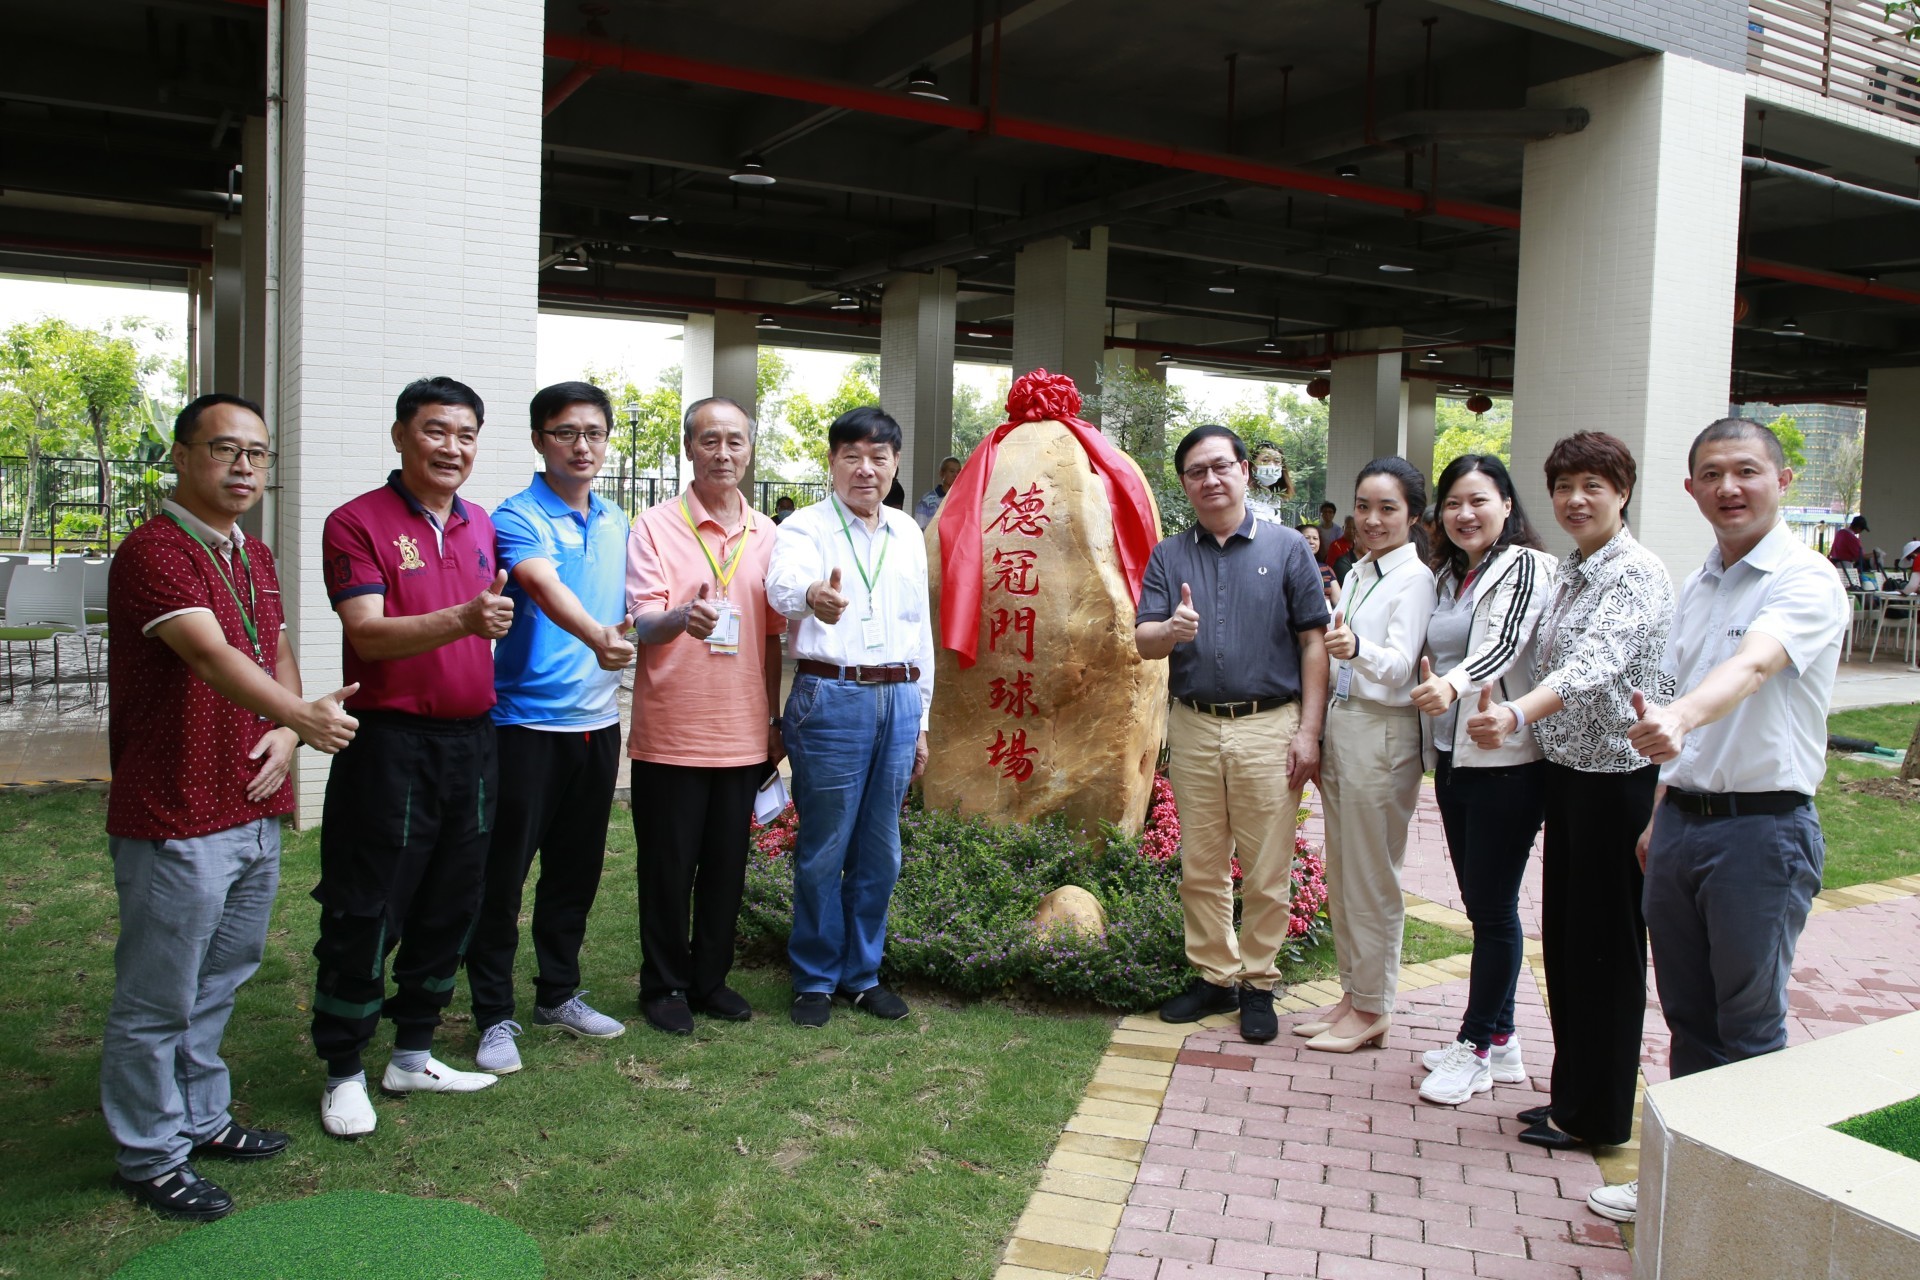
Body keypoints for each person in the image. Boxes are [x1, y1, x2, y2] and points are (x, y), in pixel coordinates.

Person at [102, 394, 359, 1220]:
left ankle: (203, 1117)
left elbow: (274, 645)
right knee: (158, 995)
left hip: (249, 797)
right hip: (177, 806)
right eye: (225, 450)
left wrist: (286, 738)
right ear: (182, 457)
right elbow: (210, 654)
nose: (244, 467)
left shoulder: (250, 551)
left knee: (222, 975)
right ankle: (149, 1154)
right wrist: (301, 717)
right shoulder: (156, 551)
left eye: (258, 454)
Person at [1600, 419, 1848, 1224]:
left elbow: (1749, 670)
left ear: (1781, 482)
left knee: (1750, 1025)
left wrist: (1679, 722)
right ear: (1691, 488)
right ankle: (1683, 1184)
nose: (1730, 487)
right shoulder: (1701, 583)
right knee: (1688, 1018)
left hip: (1762, 830)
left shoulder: (1805, 581)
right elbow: (1687, 694)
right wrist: (1664, 804)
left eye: (1747, 471)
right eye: (1712, 473)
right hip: (1681, 827)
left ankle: (1746, 1211)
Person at [312, 377, 515, 1138]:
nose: (452, 448)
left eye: (465, 435)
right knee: (368, 904)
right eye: (436, 431)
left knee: (452, 898)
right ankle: (342, 1068)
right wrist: (464, 617)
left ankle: (414, 1050)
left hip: (474, 742)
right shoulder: (355, 523)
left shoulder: (480, 523)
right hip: (389, 743)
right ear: (401, 435)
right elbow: (366, 632)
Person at [1466, 431, 1673, 1152]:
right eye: (1563, 486)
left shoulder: (1635, 574)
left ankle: (1600, 1115)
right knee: (1571, 942)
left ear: (1623, 491)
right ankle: (1572, 1095)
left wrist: (1517, 713)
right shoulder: (1571, 569)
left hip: (1617, 784)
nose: (1575, 499)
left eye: (1593, 484)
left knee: (1606, 952)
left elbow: (1594, 664)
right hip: (1570, 781)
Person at [1136, 426, 1329, 1043]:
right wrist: (1172, 629)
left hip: (1270, 726)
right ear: (1185, 483)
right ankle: (1214, 976)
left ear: (1246, 471)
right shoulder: (1170, 555)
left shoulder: (1289, 549)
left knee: (1267, 867)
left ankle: (1259, 982)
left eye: (1221, 466)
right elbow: (1143, 641)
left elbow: (1312, 642)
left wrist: (1310, 732)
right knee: (1201, 863)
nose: (1210, 480)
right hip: (1193, 725)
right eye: (1196, 471)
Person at [466, 383, 634, 1077]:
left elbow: (629, 611)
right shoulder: (518, 515)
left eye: (594, 433)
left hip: (597, 725)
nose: (583, 445)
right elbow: (541, 585)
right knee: (501, 878)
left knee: (575, 871)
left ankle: (558, 994)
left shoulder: (618, 517)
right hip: (523, 725)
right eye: (566, 433)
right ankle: (492, 1014)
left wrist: (680, 619)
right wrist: (598, 636)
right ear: (539, 440)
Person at [765, 407, 933, 1028]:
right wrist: (814, 597)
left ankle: (862, 975)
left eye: (879, 457)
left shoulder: (909, 534)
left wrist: (923, 722)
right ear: (831, 462)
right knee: (823, 845)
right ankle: (813, 977)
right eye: (852, 457)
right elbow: (779, 588)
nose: (866, 469)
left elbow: (921, 633)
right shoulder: (805, 528)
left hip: (899, 697)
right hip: (831, 697)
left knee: (881, 848)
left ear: (894, 465)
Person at [627, 397, 786, 1034]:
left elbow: (772, 638)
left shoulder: (769, 535)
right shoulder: (655, 527)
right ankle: (662, 984)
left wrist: (772, 723)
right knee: (668, 866)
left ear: (750, 450)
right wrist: (681, 619)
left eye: (736, 442)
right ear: (689, 449)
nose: (724, 454)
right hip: (672, 728)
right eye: (710, 441)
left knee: (727, 866)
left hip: (743, 730)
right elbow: (643, 621)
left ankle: (710, 979)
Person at [1407, 455, 1555, 1105]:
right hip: (1457, 760)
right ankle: (1504, 1042)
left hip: (1506, 764)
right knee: (1483, 908)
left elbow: (1506, 646)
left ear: (1507, 505)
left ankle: (1473, 1046)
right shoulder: (1453, 576)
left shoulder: (1524, 566)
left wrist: (1452, 684)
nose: (1465, 514)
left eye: (1479, 500)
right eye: (1454, 503)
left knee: (1494, 911)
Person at [1301, 457, 1437, 1053]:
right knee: (1344, 869)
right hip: (1344, 723)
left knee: (1374, 874)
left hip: (1383, 729)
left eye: (1387, 508)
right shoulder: (1357, 573)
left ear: (1412, 514)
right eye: (1363, 506)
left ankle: (1375, 1006)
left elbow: (1402, 665)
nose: (1372, 519)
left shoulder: (1416, 579)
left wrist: (1355, 649)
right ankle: (1353, 995)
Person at [1244, 439, 1294, 526]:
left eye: (1277, 461)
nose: (1271, 466)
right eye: (1265, 460)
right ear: (1252, 465)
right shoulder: (1242, 494)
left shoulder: (1275, 498)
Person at [1297, 524, 1341, 608]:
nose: (1311, 541)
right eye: (1307, 538)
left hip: (1326, 617)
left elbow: (1339, 601)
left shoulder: (1326, 569)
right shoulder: (1290, 568)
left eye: (1315, 538)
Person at [913, 455, 962, 529]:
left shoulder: (963, 499)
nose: (956, 475)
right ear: (942, 474)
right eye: (952, 471)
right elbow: (918, 528)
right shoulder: (926, 501)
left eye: (959, 472)